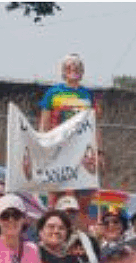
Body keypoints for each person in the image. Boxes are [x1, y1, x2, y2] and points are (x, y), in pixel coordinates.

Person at [39, 53, 101, 208]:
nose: (73, 70)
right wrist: (42, 146)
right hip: (58, 147)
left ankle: (77, 219)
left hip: (82, 150)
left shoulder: (88, 95)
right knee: (56, 191)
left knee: (82, 194)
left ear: (82, 72)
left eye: (77, 67)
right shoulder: (53, 93)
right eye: (69, 67)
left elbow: (95, 125)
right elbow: (44, 123)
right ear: (63, 71)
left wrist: (99, 151)